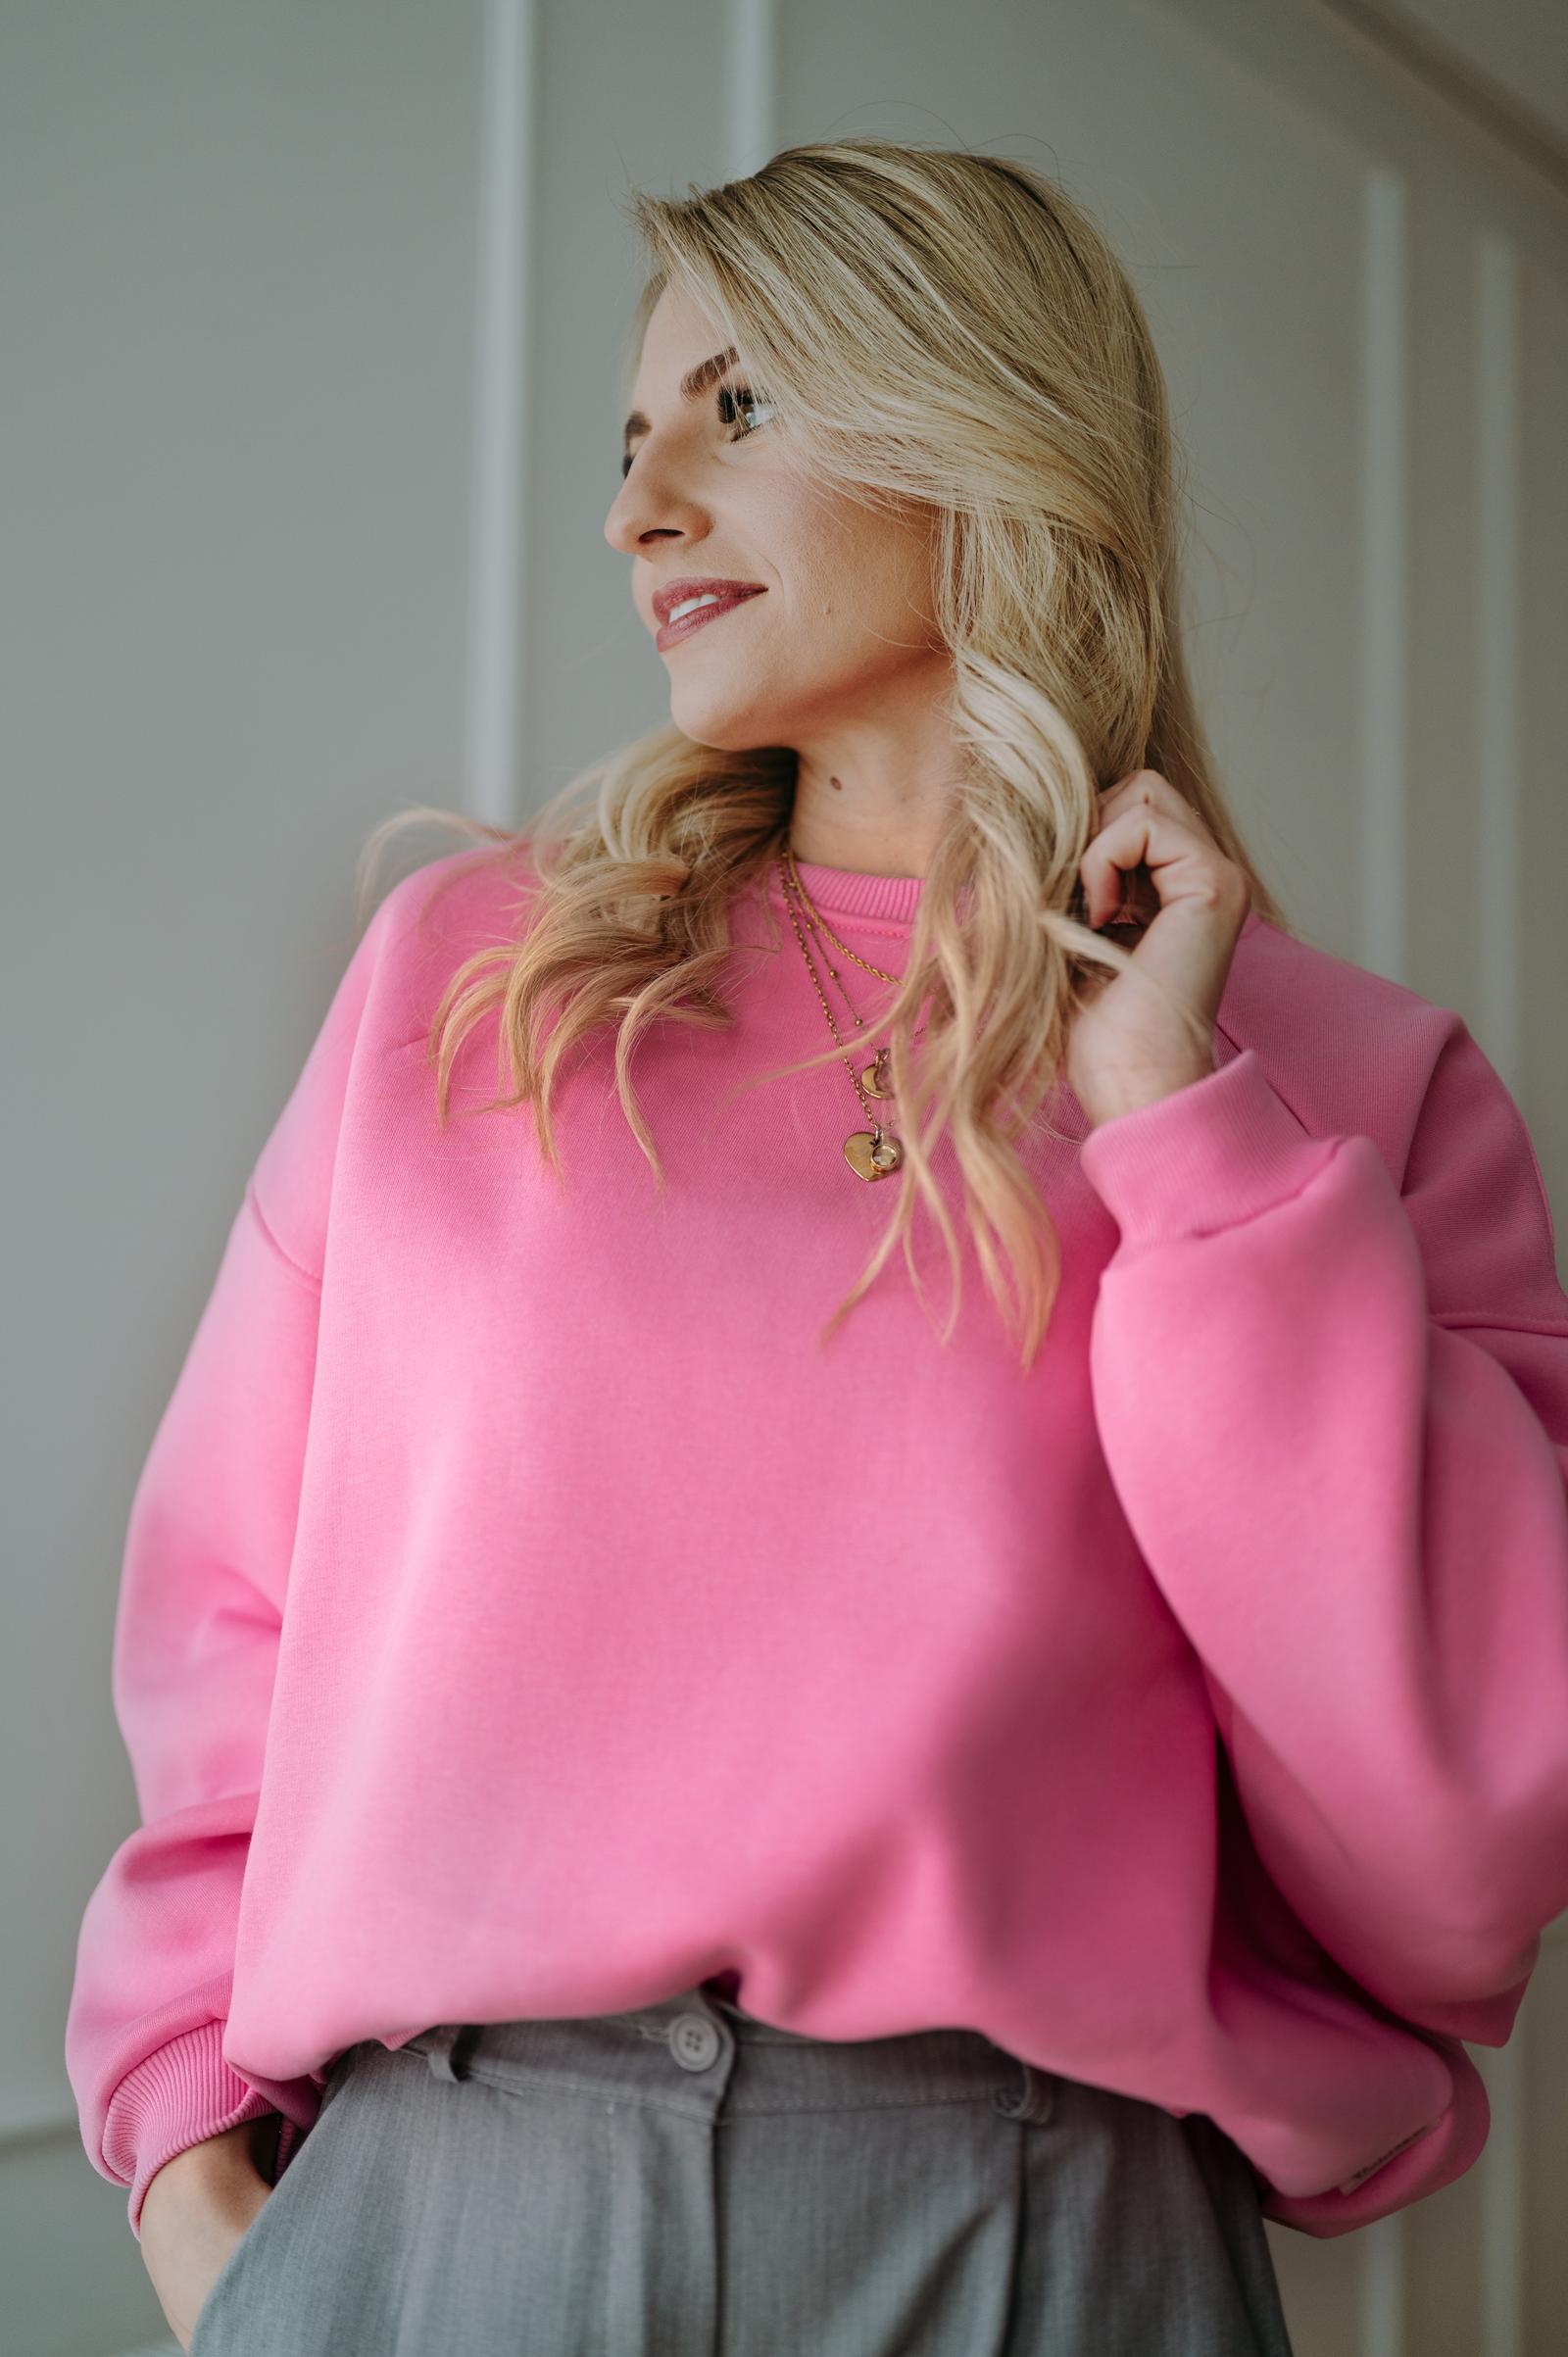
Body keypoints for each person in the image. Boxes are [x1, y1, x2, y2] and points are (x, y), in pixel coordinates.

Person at [66, 135, 1568, 2356]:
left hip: (1049, 2244)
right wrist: (202, 2186)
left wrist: (1183, 1138)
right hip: (446, 2223)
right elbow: (229, 1621)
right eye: (626, 438)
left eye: (736, 408)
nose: (636, 509)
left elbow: (1463, 1847)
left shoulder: (1346, 1088)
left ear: (981, 423)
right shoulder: (469, 984)